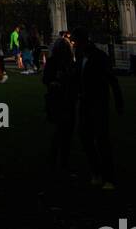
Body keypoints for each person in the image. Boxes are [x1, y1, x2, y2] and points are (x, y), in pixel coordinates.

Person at [73, 28, 124, 188]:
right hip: (84, 103)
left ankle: (109, 177)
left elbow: (112, 81)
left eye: (76, 41)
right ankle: (96, 172)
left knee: (102, 140)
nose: (74, 44)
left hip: (98, 103)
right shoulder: (82, 57)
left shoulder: (99, 57)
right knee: (86, 139)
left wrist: (118, 102)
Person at [43, 30, 77, 170]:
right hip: (64, 99)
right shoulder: (68, 64)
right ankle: (61, 160)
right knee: (64, 130)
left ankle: (57, 159)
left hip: (58, 98)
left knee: (61, 130)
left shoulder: (55, 62)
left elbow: (45, 79)